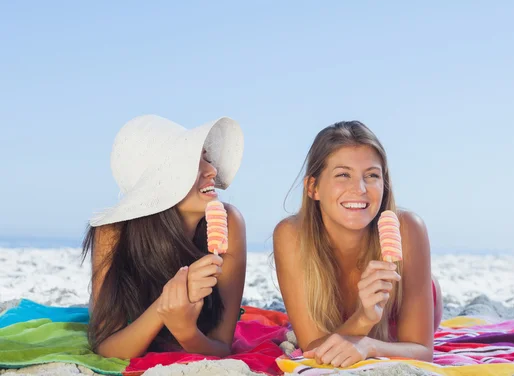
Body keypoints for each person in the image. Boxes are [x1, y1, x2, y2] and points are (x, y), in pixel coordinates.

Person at [274, 120, 442, 368]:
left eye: (372, 175)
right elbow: (313, 348)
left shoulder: (408, 228)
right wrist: (364, 318)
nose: (360, 189)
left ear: (384, 185)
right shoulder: (291, 235)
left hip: (412, 303)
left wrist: (369, 346)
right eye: (343, 175)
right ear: (313, 187)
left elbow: (421, 349)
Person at [81, 114, 246, 360]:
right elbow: (107, 347)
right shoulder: (114, 232)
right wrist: (164, 307)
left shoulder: (230, 221)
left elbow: (221, 346)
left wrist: (186, 331)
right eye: (194, 162)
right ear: (159, 182)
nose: (212, 170)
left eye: (207, 159)